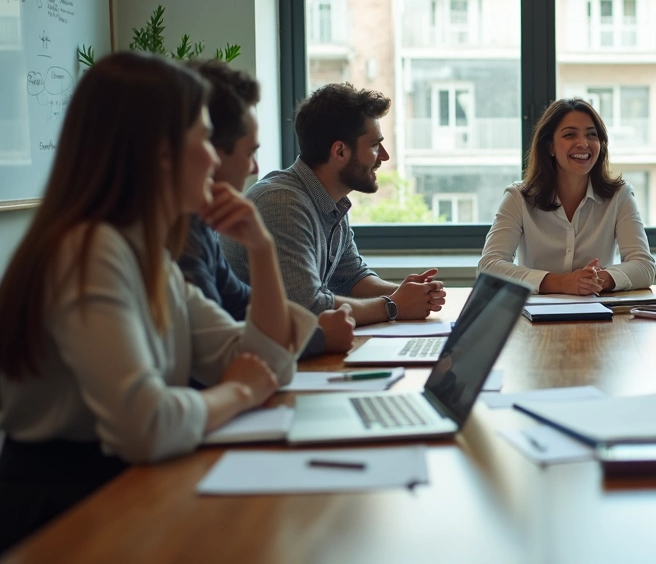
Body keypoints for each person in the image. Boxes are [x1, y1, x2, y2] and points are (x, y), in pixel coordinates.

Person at [0, 52, 317, 550]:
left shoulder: (147, 256)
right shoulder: (90, 250)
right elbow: (145, 425)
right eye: (202, 138)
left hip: (120, 490)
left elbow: (265, 359)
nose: (214, 158)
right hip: (64, 515)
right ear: (161, 153)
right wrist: (240, 392)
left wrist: (262, 249)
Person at [222, 83, 445, 326]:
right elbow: (307, 309)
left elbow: (352, 278)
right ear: (339, 151)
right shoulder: (281, 203)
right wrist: (393, 306)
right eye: (374, 145)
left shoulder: (331, 200)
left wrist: (410, 294)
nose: (384, 156)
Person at [179, 61, 355, 357]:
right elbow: (226, 352)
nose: (256, 168)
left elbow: (241, 308)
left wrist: (261, 246)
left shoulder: (196, 229)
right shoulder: (280, 202)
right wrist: (319, 337)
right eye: (250, 152)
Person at [478, 98, 655, 294]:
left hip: (598, 316)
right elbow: (488, 267)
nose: (583, 143)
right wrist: (561, 283)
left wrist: (595, 280)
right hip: (535, 318)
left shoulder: (620, 195)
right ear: (550, 147)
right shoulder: (518, 197)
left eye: (592, 135)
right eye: (570, 135)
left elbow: (644, 266)